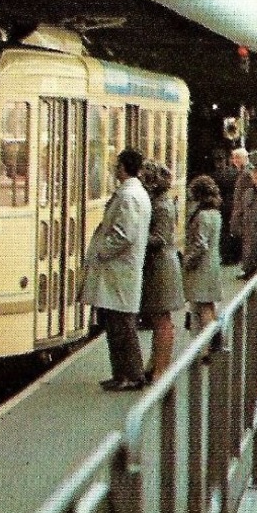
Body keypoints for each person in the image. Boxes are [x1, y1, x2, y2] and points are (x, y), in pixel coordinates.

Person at [80, 148, 151, 392]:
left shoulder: (129, 196)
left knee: (121, 326)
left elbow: (125, 235)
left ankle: (130, 375)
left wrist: (101, 251)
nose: (114, 168)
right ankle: (123, 374)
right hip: (119, 272)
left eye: (117, 165)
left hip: (119, 272)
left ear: (123, 168)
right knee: (116, 324)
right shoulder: (132, 193)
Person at [138, 161, 185, 384]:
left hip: (162, 267)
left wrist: (136, 237)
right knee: (159, 318)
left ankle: (161, 370)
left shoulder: (162, 206)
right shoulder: (160, 202)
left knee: (162, 320)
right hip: (159, 266)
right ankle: (155, 364)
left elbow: (161, 238)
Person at [182, 174, 225, 345]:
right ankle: (214, 343)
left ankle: (207, 348)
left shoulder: (202, 216)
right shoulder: (215, 213)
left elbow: (201, 245)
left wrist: (187, 261)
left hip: (202, 268)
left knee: (202, 306)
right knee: (209, 305)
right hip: (212, 263)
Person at [222, 146, 251, 266]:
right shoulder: (242, 172)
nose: (234, 161)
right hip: (239, 207)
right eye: (233, 158)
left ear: (244, 158)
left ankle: (238, 259)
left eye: (237, 158)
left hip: (243, 208)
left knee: (240, 233)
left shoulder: (248, 173)